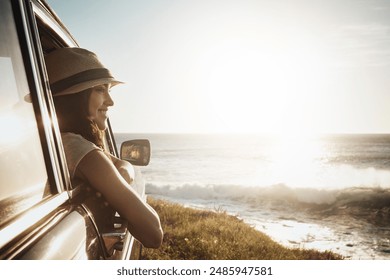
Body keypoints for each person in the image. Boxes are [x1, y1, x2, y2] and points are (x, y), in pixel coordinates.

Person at [44, 47, 163, 249]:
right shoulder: (76, 146)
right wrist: (117, 183)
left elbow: (120, 162)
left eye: (109, 89)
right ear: (75, 96)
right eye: (100, 89)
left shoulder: (61, 141)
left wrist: (122, 174)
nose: (111, 101)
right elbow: (153, 233)